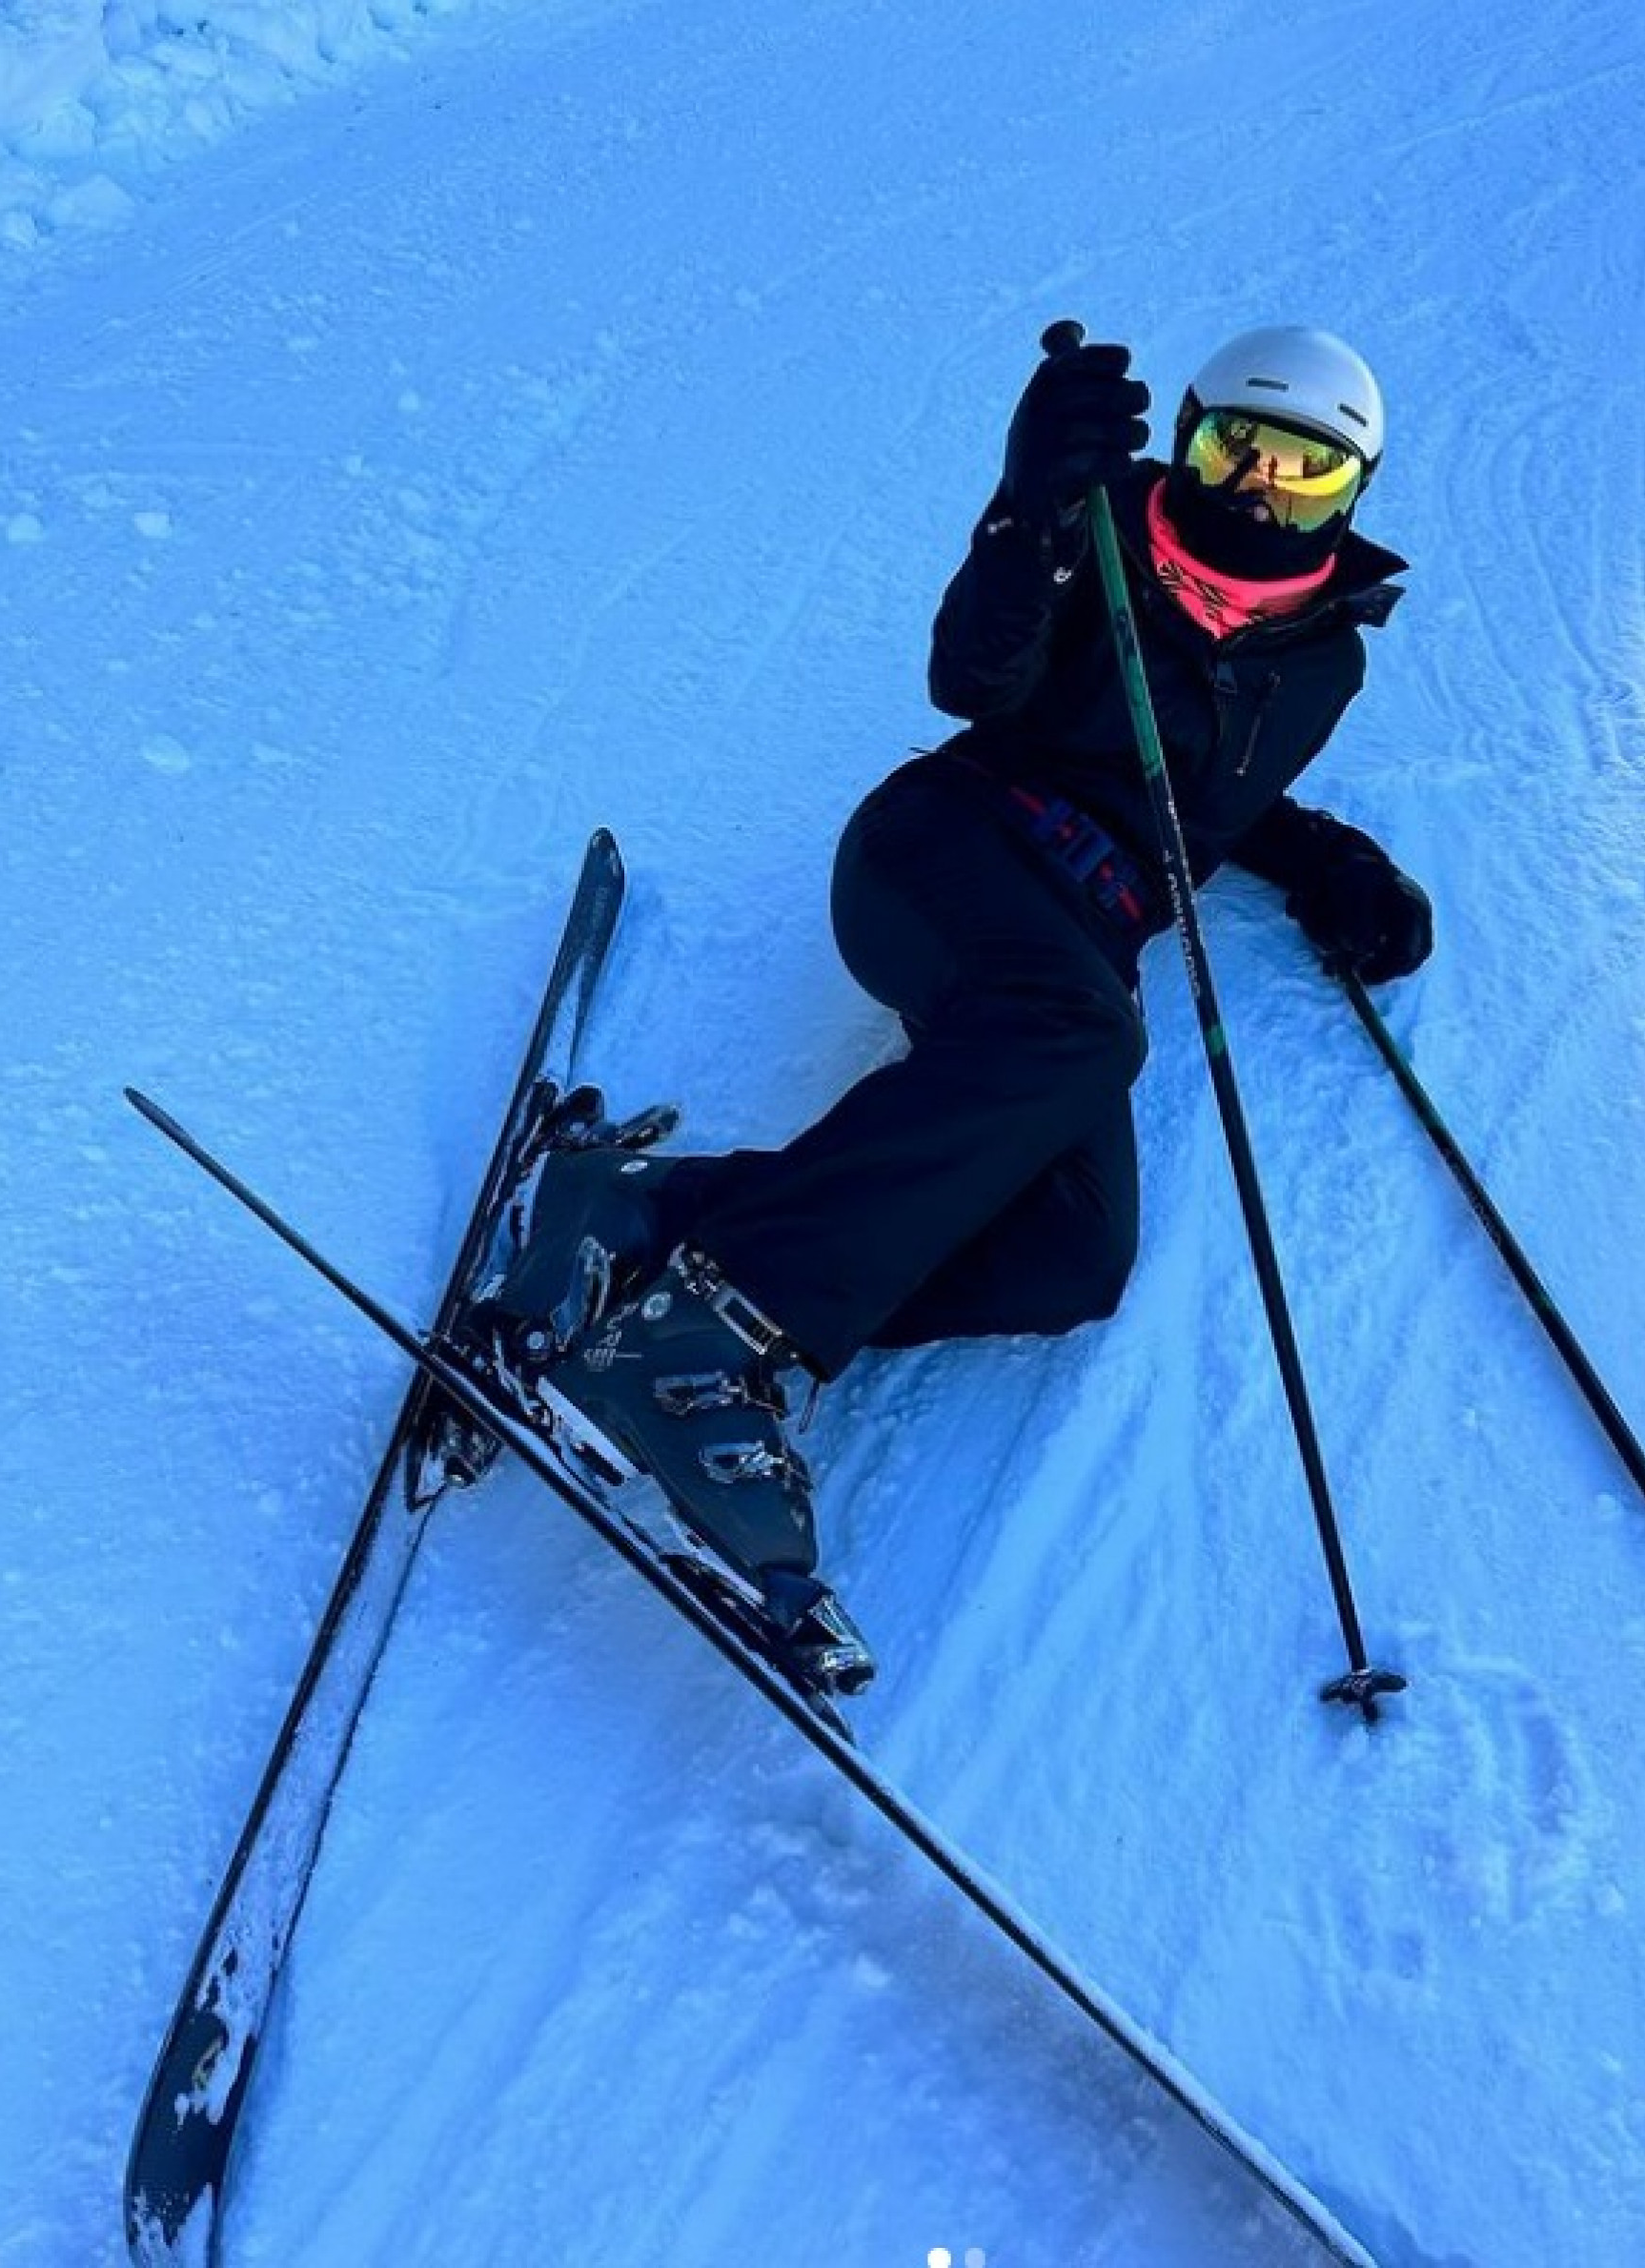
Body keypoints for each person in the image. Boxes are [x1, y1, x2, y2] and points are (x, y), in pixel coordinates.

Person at [481, 323, 1432, 1689]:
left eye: (1305, 471)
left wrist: (1325, 859)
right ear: (1192, 438)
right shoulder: (1099, 527)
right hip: (951, 852)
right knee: (1089, 1032)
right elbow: (972, 676)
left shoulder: (1327, 658)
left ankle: (632, 1217)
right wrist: (1031, 505)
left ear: (1353, 490)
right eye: (1238, 450)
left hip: (1080, 941)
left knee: (1074, 1258)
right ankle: (705, 1342)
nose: (1260, 494)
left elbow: (1211, 792)